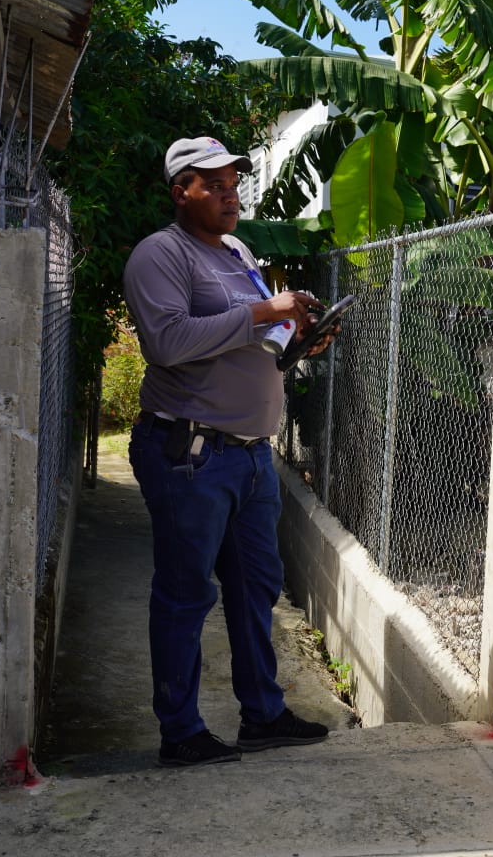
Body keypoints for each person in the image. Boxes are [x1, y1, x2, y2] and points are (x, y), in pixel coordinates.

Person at [123, 135, 332, 767]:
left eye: (233, 184)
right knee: (186, 593)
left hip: (250, 456)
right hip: (191, 453)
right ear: (180, 192)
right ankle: (180, 731)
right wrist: (265, 310)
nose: (229, 195)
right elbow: (166, 342)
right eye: (212, 185)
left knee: (256, 588)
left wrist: (299, 340)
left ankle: (263, 714)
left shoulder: (237, 252)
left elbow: (255, 343)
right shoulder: (160, 255)